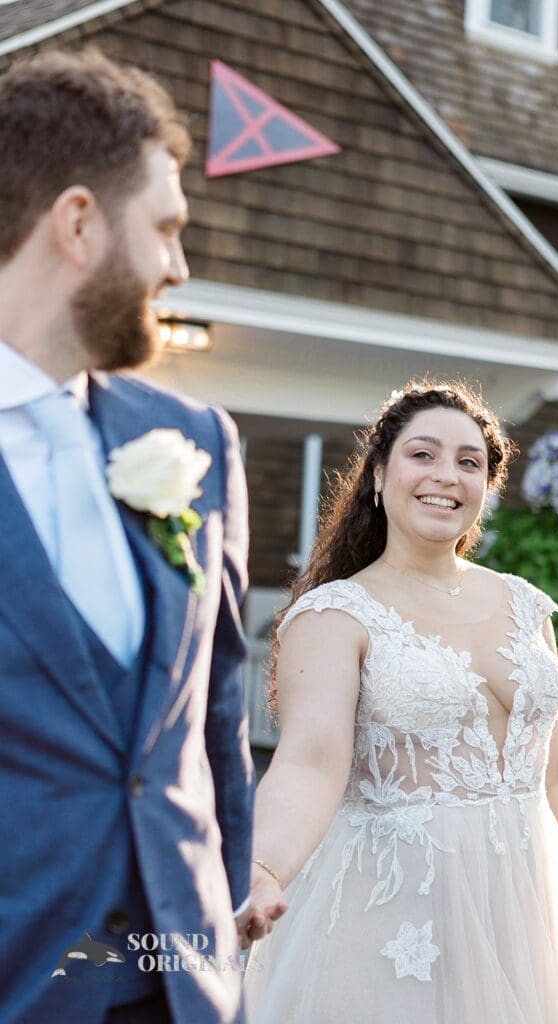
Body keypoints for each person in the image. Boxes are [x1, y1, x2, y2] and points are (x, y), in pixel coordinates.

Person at [0, 48, 272, 1024]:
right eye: (164, 227)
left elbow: (215, 727)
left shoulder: (193, 441)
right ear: (77, 223)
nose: (177, 265)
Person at [243, 380, 558, 1023]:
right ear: (377, 475)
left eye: (469, 462)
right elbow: (311, 764)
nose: (446, 475)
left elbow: (553, 782)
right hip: (392, 914)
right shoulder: (336, 615)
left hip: (524, 914)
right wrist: (262, 867)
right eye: (423, 454)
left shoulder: (525, 606)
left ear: (487, 489)